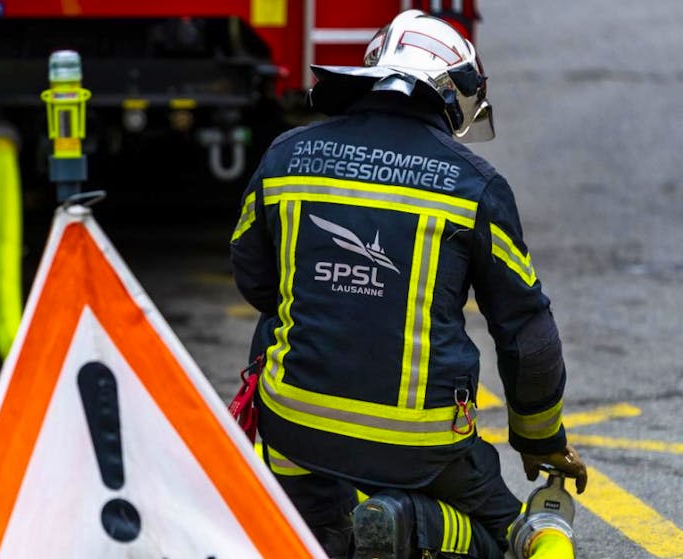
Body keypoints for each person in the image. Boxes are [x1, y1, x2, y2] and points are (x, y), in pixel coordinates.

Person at [230, 9, 588, 558]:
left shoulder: (286, 156)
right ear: (455, 96)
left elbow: (256, 281)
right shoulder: (475, 186)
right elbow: (528, 335)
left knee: (315, 532)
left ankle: (332, 525)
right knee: (507, 539)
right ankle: (408, 523)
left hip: (295, 427)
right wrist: (541, 440)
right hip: (421, 446)